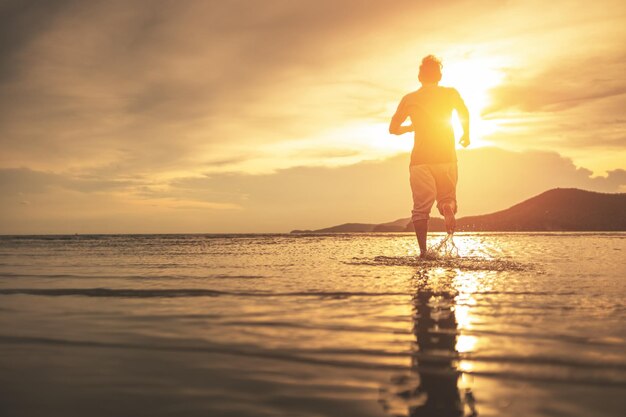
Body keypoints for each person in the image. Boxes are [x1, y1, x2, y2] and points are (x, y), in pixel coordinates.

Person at [389, 55, 470, 258]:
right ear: (439, 75)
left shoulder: (409, 99)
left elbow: (393, 129)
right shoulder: (451, 93)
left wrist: (411, 127)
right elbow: (464, 113)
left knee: (421, 209)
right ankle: (447, 208)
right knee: (447, 198)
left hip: (420, 160)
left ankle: (424, 253)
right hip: (446, 156)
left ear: (419, 76)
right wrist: (466, 134)